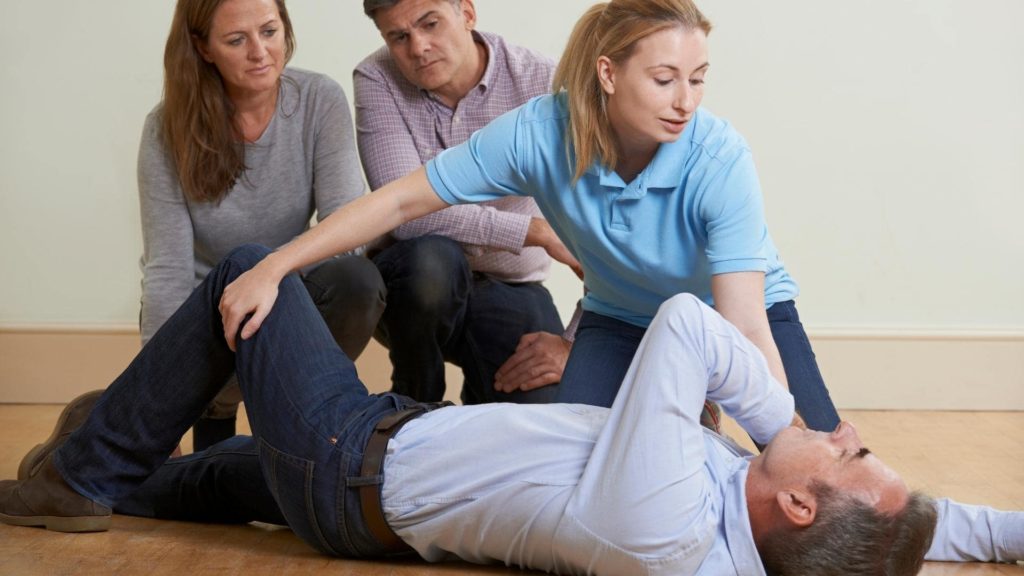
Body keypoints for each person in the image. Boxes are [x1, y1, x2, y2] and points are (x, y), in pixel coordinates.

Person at [0, 244, 957, 576]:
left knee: (249, 272)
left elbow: (686, 323)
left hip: (352, 459)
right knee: (192, 483)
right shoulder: (786, 538)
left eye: (845, 454)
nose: (835, 433)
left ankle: (81, 470)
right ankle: (110, 469)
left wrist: (781, 423)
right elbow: (904, 533)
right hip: (385, 491)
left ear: (798, 506)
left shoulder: (664, 524)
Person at [214, 0, 838, 432]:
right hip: (620, 320)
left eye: (697, 79)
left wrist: (786, 438)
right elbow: (401, 201)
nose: (686, 102)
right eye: (665, 79)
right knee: (571, 463)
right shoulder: (541, 132)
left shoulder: (718, 155)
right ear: (608, 74)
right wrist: (274, 266)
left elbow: (745, 323)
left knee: (817, 461)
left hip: (732, 315)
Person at [139, 0, 384, 450]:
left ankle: (298, 422)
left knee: (357, 281)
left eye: (270, 31)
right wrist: (157, 399)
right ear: (203, 48)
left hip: (292, 295)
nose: (260, 52)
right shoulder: (164, 130)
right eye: (236, 40)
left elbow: (348, 229)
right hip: (209, 316)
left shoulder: (319, 100)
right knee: (192, 472)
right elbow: (167, 270)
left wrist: (269, 276)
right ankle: (213, 407)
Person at [353, 0, 576, 405]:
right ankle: (413, 406)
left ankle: (476, 414)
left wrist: (573, 341)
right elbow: (404, 215)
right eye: (398, 37)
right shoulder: (376, 77)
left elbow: (604, 223)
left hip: (510, 283)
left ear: (468, 14)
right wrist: (532, 231)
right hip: (415, 284)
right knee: (433, 261)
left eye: (430, 24)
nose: (418, 47)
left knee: (545, 402)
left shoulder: (544, 82)